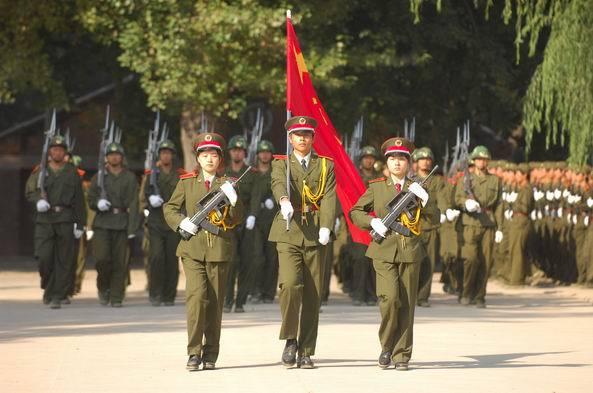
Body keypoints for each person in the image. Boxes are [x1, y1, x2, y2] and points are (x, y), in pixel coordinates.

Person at [350, 136, 438, 370]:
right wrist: (372, 222)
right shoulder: (377, 187)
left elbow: (435, 218)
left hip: (410, 251)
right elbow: (355, 211)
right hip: (383, 250)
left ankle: (401, 355)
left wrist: (425, 200)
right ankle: (387, 345)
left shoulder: (418, 188)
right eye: (392, 158)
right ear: (386, 163)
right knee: (389, 300)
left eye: (402, 158)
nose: (397, 163)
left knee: (407, 304)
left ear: (409, 162)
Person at [164, 132, 243, 371]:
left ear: (220, 159)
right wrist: (180, 222)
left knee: (215, 303)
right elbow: (170, 207)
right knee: (197, 298)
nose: (209, 159)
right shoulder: (187, 182)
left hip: (219, 249)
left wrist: (234, 200)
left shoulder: (228, 183)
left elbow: (237, 219)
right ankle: (193, 352)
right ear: (197, 159)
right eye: (205, 155)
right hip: (193, 249)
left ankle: (210, 354)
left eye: (214, 155)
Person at [269, 115, 336, 369]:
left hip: (315, 231)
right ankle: (290, 339)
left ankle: (306, 350)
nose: (302, 138)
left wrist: (327, 226)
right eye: (298, 135)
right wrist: (284, 200)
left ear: (313, 138)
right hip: (288, 229)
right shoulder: (281, 164)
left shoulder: (324, 165)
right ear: (290, 138)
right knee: (289, 285)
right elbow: (276, 184)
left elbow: (329, 197)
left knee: (312, 293)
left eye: (307, 134)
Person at [25, 135, 86, 309]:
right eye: (54, 149)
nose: (57, 152)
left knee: (64, 260)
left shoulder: (72, 172)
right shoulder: (40, 171)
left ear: (64, 152)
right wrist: (39, 200)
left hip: (65, 219)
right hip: (45, 220)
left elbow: (79, 201)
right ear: (49, 152)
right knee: (44, 258)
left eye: (60, 149)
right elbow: (30, 191)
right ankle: (48, 287)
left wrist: (80, 224)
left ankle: (57, 295)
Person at [88, 142, 141, 307]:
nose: (114, 157)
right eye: (111, 154)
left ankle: (117, 296)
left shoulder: (129, 177)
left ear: (122, 157)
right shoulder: (99, 177)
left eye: (117, 154)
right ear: (107, 157)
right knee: (102, 259)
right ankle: (103, 288)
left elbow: (134, 203)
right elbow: (90, 199)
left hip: (122, 223)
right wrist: (98, 203)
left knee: (120, 262)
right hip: (103, 223)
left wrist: (133, 228)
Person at [455, 145, 502, 308]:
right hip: (470, 223)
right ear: (473, 161)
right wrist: (465, 203)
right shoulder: (465, 179)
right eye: (479, 159)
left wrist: (500, 228)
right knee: (470, 259)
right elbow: (458, 198)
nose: (482, 162)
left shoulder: (495, 180)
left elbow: (499, 205)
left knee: (485, 261)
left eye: (485, 159)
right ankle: (466, 291)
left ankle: (480, 296)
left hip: (488, 223)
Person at [140, 139, 184, 306]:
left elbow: (186, 196)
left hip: (173, 222)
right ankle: (155, 293)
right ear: (159, 155)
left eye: (168, 153)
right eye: (163, 153)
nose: (165, 155)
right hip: (156, 221)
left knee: (172, 259)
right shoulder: (151, 173)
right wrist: (150, 199)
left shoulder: (180, 174)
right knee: (157, 256)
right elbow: (144, 195)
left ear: (172, 155)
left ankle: (169, 295)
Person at [223, 135, 258, 313]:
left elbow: (255, 196)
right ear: (230, 152)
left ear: (244, 153)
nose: (237, 152)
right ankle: (227, 300)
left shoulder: (251, 173)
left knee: (246, 262)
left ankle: (240, 302)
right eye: (234, 150)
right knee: (231, 261)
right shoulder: (223, 173)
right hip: (228, 221)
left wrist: (253, 215)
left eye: (240, 150)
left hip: (246, 222)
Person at [246, 140, 280, 304]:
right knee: (257, 257)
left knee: (272, 258)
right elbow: (248, 194)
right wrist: (251, 213)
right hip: (256, 220)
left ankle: (269, 292)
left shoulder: (277, 171)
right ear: (258, 154)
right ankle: (255, 290)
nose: (264, 155)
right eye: (262, 152)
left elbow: (283, 188)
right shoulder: (252, 172)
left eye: (267, 152)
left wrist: (274, 200)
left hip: (273, 220)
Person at [412, 147, 445, 307]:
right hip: (413, 225)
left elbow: (441, 199)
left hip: (430, 225)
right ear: (416, 162)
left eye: (428, 159)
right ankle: (410, 294)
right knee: (412, 262)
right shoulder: (409, 180)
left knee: (429, 263)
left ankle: (423, 296)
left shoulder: (437, 181)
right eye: (422, 159)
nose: (425, 161)